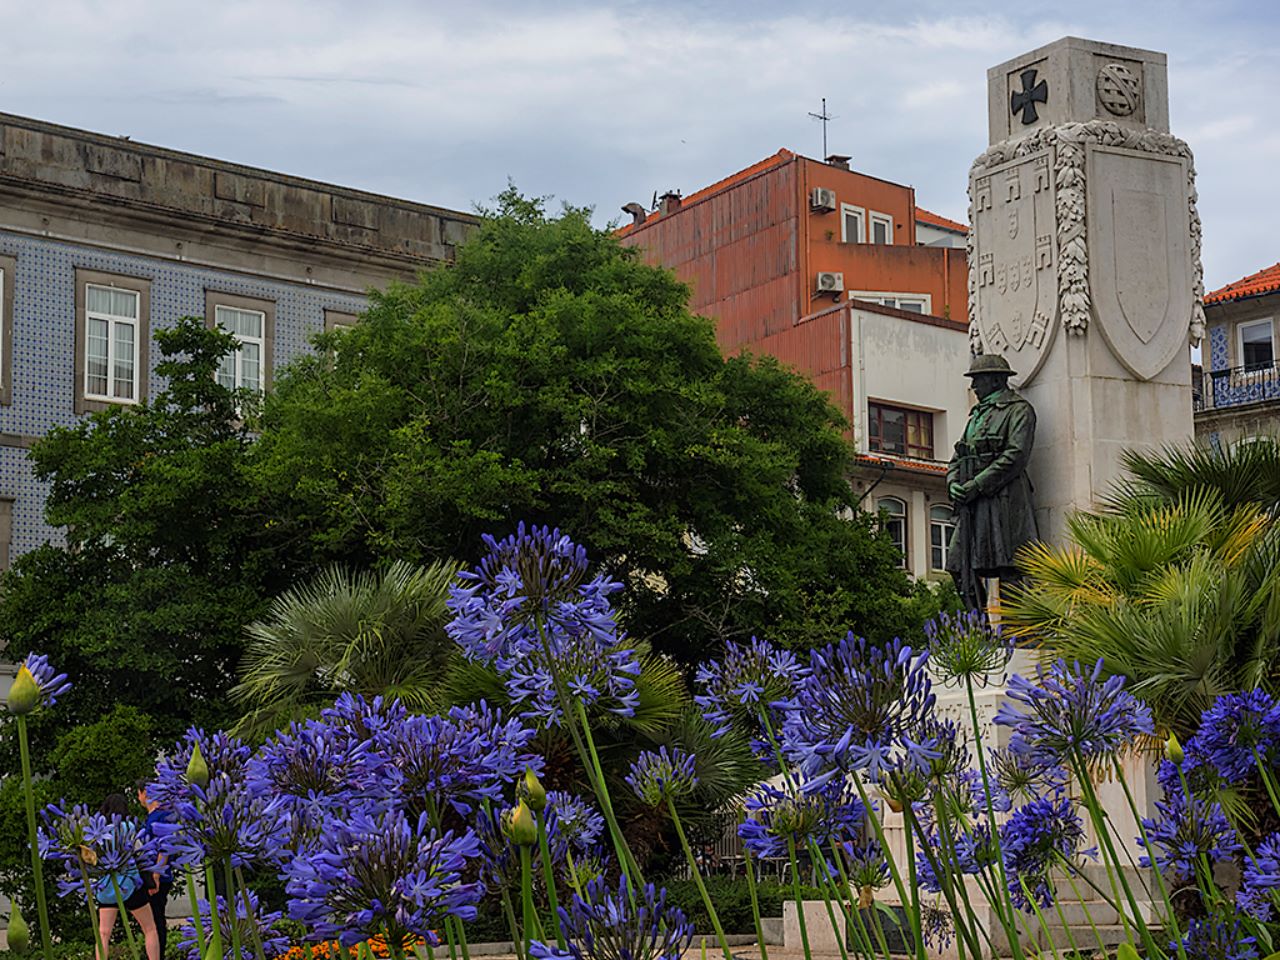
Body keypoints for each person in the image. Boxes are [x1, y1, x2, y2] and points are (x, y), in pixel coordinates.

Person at [945, 353, 1039, 610]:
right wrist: (953, 483)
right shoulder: (975, 416)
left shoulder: (1018, 410)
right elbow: (957, 456)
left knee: (1007, 566)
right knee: (958, 564)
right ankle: (979, 626)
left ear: (997, 380)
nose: (974, 386)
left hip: (1003, 500)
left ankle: (1013, 629)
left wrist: (977, 484)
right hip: (972, 503)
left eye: (979, 380)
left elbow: (1015, 456)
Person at [94, 793, 161, 960]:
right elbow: (140, 854)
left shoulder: (98, 829)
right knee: (150, 929)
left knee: (103, 933)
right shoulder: (128, 827)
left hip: (106, 886)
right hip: (130, 885)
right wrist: (151, 880)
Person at [136, 779, 173, 958]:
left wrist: (156, 875)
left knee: (156, 921)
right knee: (152, 921)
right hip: (151, 875)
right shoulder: (153, 816)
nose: (139, 798)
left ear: (144, 793)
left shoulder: (159, 816)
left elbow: (165, 847)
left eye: (138, 793)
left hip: (158, 877)